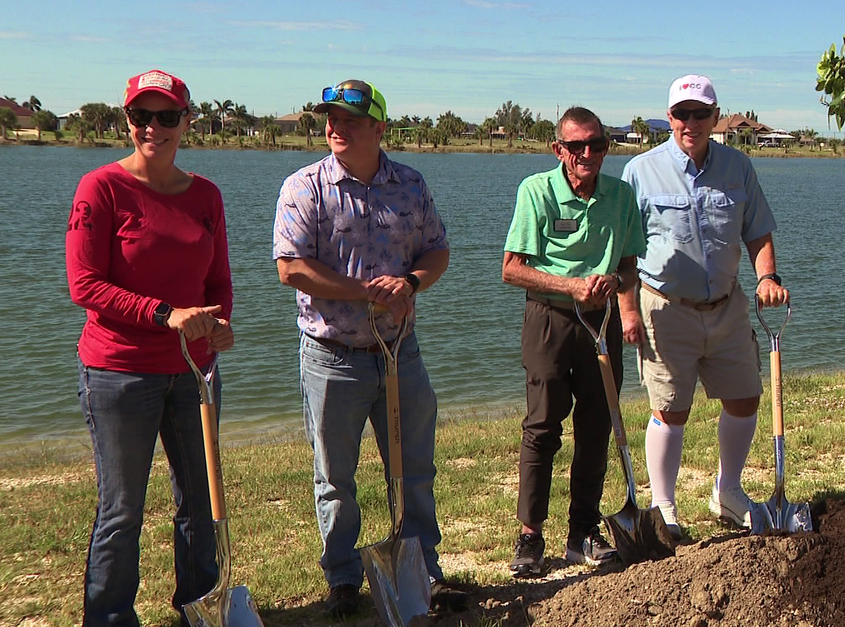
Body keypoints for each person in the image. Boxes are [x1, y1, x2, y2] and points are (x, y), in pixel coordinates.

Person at [272, 79, 465, 617]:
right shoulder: (304, 188)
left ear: (378, 128)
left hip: (401, 352)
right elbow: (291, 268)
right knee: (335, 476)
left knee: (412, 468)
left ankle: (422, 569)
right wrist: (364, 291)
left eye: (349, 121)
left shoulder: (410, 184)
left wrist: (411, 284)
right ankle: (342, 577)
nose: (335, 129)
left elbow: (437, 249)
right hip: (332, 356)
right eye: (329, 119)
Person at [66, 69, 234, 626]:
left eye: (167, 116)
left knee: (201, 502)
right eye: (142, 116)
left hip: (194, 372)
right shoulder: (101, 188)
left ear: (187, 121)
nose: (153, 128)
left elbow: (218, 285)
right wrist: (166, 314)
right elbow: (84, 284)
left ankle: (201, 608)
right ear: (127, 120)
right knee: (121, 510)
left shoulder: (206, 195)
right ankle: (110, 617)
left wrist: (218, 324)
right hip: (119, 373)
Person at [619, 74, 790, 538]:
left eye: (700, 114)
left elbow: (757, 229)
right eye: (680, 114)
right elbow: (624, 251)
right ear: (669, 117)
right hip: (666, 307)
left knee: (744, 399)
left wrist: (768, 277)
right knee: (671, 408)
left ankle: (728, 491)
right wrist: (628, 310)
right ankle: (664, 506)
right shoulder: (640, 171)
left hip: (727, 305)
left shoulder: (739, 167)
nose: (690, 122)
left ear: (716, 118)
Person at [501, 107, 647, 577]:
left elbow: (629, 268)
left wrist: (612, 282)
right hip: (549, 319)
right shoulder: (536, 191)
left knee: (596, 427)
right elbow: (511, 268)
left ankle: (582, 531)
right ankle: (530, 535)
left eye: (597, 145)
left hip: (600, 322)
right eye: (578, 146)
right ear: (559, 149)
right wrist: (572, 285)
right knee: (542, 427)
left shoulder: (621, 195)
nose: (588, 154)